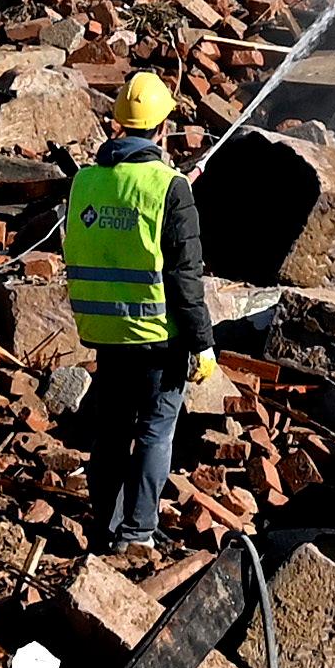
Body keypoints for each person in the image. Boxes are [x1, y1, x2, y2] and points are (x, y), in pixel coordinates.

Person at [63, 70, 213, 547]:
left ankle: (105, 526)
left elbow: (121, 230)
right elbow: (184, 277)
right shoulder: (170, 188)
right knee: (154, 431)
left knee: (110, 431)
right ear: (163, 128)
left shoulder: (86, 182)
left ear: (118, 124)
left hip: (105, 330)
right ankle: (139, 530)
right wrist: (203, 345)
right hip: (156, 335)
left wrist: (175, 189)